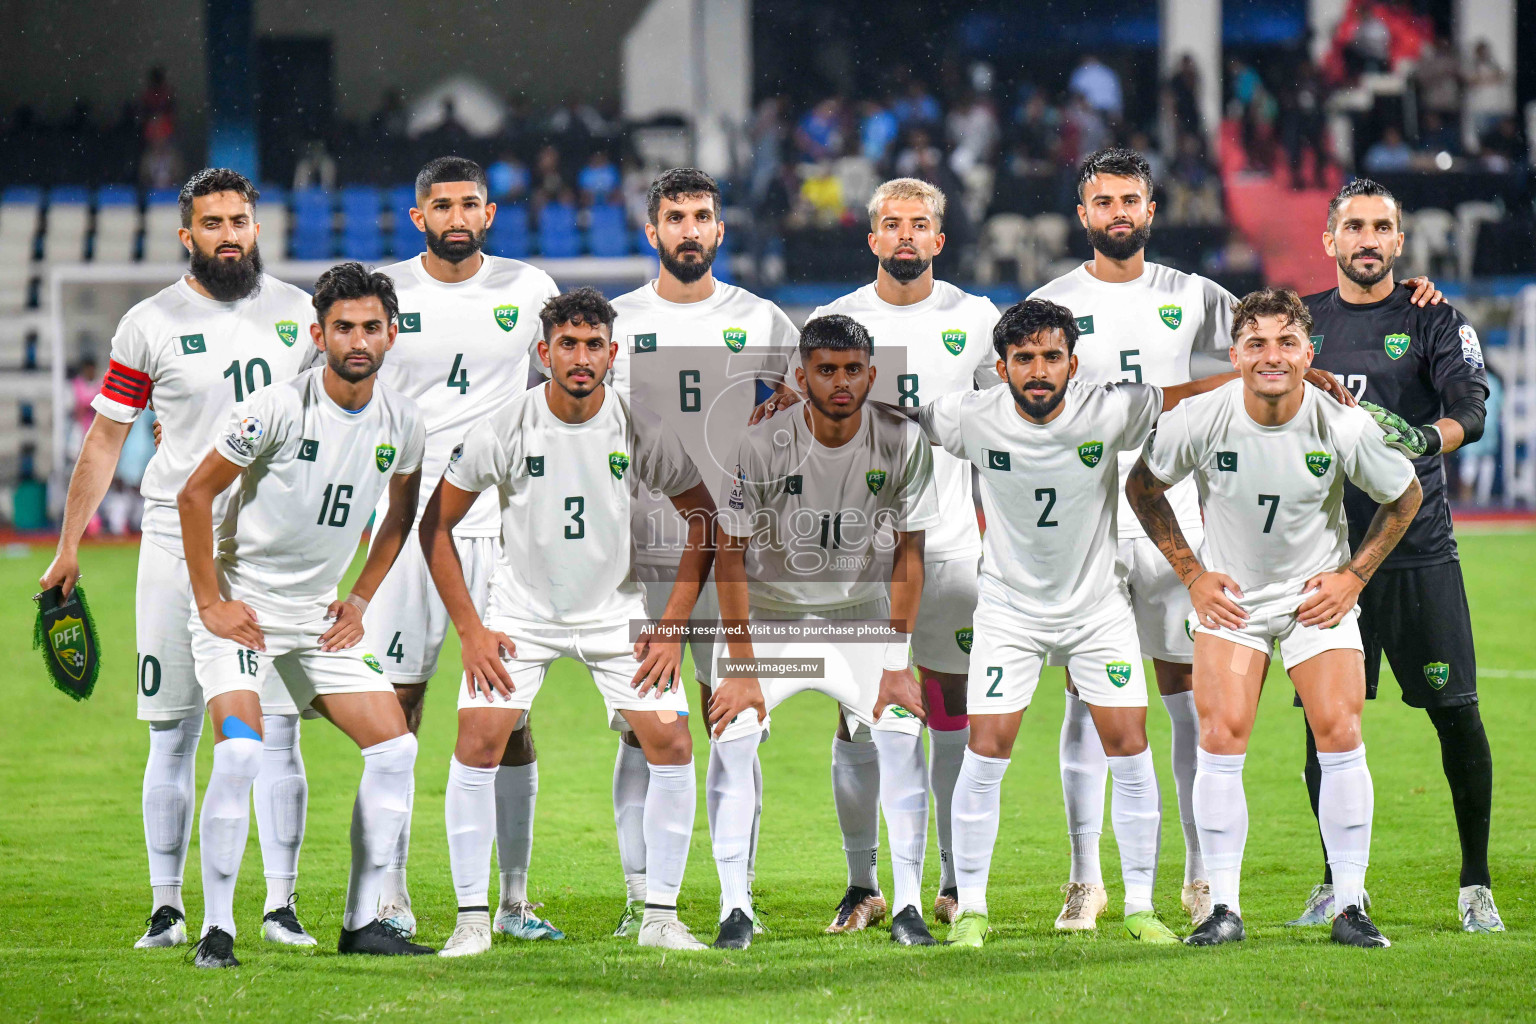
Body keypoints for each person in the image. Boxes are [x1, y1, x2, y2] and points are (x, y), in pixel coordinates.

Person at [1029, 148, 1438, 931]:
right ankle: (1087, 880)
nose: (1119, 212)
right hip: (1088, 520)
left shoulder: (1201, 298)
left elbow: (1287, 323)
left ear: (1152, 210)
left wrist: (1403, 293)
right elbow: (1017, 392)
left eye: (1132, 200)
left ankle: (1203, 886)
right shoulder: (1049, 302)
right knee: (1088, 701)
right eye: (1103, 201)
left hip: (1191, 522)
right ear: (1082, 214)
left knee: (1194, 709)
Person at [39, 168, 319, 951]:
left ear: (257, 227)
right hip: (170, 537)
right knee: (174, 731)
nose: (229, 234)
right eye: (213, 223)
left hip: (269, 544)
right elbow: (105, 438)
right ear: (185, 235)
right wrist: (68, 546)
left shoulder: (304, 316)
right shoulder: (149, 323)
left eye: (240, 220)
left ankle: (280, 906)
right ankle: (167, 910)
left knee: (281, 731)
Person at [921, 299, 1237, 947]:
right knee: (986, 753)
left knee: (1131, 749)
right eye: (1024, 358)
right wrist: (804, 405)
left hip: (1098, 612)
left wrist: (1260, 376)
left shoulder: (1109, 408)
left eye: (1051, 357)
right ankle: (974, 909)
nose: (1038, 370)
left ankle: (1140, 907)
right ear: (1002, 366)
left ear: (1073, 361)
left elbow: (1182, 394)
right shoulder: (969, 415)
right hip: (1009, 615)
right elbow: (893, 419)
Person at [1127, 287, 1422, 949]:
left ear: (1308, 352)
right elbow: (1142, 488)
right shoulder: (1202, 417)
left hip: (1314, 598)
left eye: (1286, 342)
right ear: (1234, 354)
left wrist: (1353, 576)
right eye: (1256, 342)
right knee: (1222, 739)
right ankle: (1223, 910)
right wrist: (1193, 575)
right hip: (1233, 601)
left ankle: (1350, 905)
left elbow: (1406, 495)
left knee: (1341, 732)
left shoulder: (1340, 423)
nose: (1271, 355)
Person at [426, 289, 717, 955]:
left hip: (616, 613)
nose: (581, 358)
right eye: (568, 344)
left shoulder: (640, 425)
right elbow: (435, 525)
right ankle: (474, 918)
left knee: (671, 742)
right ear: (544, 352)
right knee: (478, 738)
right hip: (521, 615)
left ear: (614, 353)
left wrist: (671, 626)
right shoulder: (506, 424)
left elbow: (705, 520)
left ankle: (661, 918)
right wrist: (472, 630)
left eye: (593, 345)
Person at [175, 262, 432, 966]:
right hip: (246, 612)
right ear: (318, 333)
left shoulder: (404, 421)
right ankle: (217, 929)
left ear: (392, 333)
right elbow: (194, 497)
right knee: (242, 752)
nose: (357, 339)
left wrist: (359, 599)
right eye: (343, 327)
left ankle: (361, 924)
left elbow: (401, 512)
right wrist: (212, 604)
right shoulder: (275, 408)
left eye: (371, 327)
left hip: (320, 617)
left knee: (397, 747)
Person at [787, 178, 1001, 930]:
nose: (905, 236)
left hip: (950, 549)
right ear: (871, 237)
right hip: (860, 559)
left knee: (947, 711)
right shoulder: (832, 320)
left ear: (939, 239)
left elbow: (1003, 425)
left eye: (920, 224)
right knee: (857, 717)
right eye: (891, 224)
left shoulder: (976, 319)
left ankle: (946, 881)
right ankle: (863, 883)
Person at [362, 156, 562, 941]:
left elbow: (577, 381)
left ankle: (512, 902)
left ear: (489, 213)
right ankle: (392, 896)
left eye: (468, 204)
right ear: (418, 217)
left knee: (505, 716)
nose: (455, 215)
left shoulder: (528, 288)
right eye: (440, 204)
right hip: (408, 526)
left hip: (502, 527)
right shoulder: (384, 293)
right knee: (400, 707)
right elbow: (322, 379)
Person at [1296, 178, 1502, 933]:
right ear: (1330, 241)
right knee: (1327, 725)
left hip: (1416, 553)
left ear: (1400, 241)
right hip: (1327, 558)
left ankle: (1475, 883)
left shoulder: (1434, 317)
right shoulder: (1302, 322)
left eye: (1382, 226)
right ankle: (1335, 883)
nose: (1368, 239)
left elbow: (1470, 411)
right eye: (1354, 226)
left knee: (1455, 716)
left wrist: (1427, 438)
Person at [604, 168, 798, 936]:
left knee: (737, 730)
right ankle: (639, 900)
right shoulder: (614, 324)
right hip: (635, 561)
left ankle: (736, 901)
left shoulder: (766, 323)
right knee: (642, 731)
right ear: (651, 232)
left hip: (735, 564)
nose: (691, 229)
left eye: (704, 217)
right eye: (676, 217)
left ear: (722, 231)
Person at [707, 313, 938, 949]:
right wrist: (743, 666)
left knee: (899, 727)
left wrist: (896, 661)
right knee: (733, 730)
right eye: (825, 370)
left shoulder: (902, 440)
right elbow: (729, 555)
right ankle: (735, 908)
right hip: (775, 620)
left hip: (859, 621)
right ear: (801, 374)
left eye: (852, 369)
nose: (840, 382)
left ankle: (909, 905)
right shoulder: (761, 444)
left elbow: (909, 557)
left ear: (872, 373)